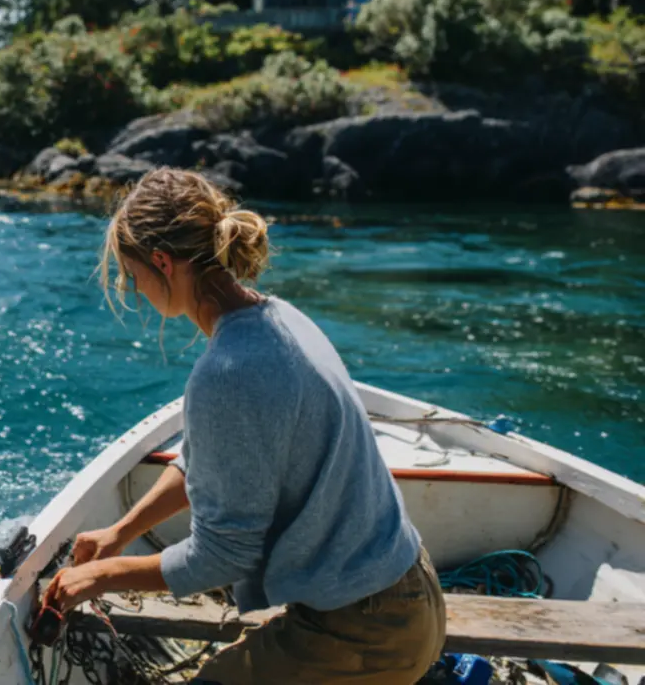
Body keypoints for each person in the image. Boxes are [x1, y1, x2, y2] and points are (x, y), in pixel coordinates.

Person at [41, 167, 445, 684]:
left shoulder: (228, 372)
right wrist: (122, 532)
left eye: (131, 274)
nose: (134, 289)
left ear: (162, 262)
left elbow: (223, 557)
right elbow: (203, 460)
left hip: (366, 631)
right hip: (411, 590)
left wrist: (98, 577)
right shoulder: (278, 317)